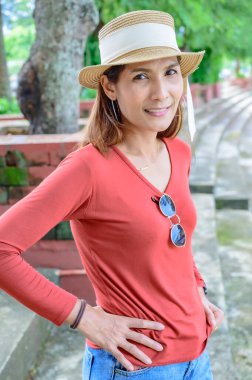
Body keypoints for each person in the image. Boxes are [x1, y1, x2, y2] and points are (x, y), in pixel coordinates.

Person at [0, 9, 224, 380]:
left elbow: (177, 239)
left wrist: (196, 287)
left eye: (170, 72)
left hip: (198, 357)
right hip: (133, 369)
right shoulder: (87, 169)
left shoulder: (178, 151)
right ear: (109, 87)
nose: (161, 92)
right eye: (140, 76)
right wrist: (84, 318)